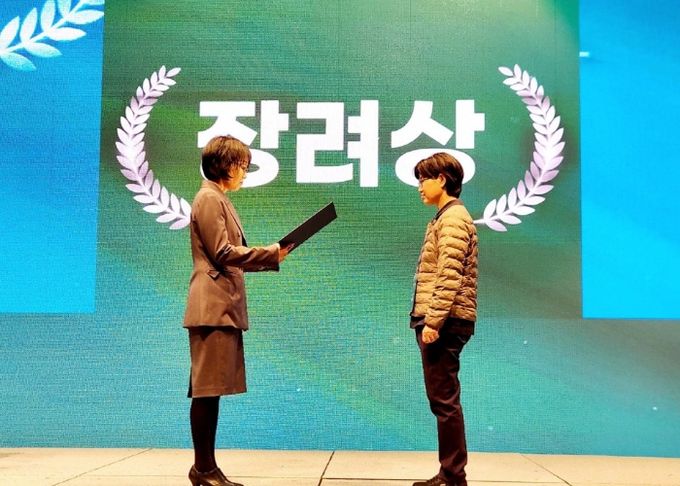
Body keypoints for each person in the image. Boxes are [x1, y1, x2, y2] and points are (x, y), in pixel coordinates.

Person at [183, 135, 291, 486]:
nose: (245, 172)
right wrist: (269, 252)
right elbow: (222, 252)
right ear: (224, 165)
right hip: (212, 307)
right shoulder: (209, 198)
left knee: (210, 390)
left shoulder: (218, 198)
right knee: (206, 390)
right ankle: (203, 469)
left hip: (220, 306)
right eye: (241, 165)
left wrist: (272, 257)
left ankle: (206, 468)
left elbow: (230, 256)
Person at [410, 152, 478, 486]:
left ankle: (453, 476)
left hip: (445, 322)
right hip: (445, 319)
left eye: (424, 179)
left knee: (445, 401)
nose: (420, 186)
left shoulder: (452, 219)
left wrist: (433, 322)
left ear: (442, 179)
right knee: (443, 400)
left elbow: (449, 275)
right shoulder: (445, 218)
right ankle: (450, 473)